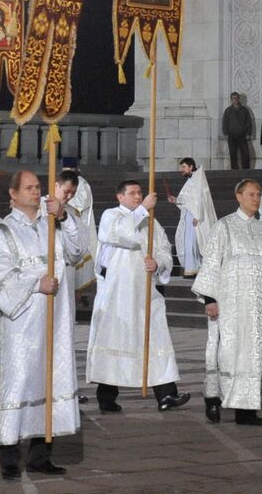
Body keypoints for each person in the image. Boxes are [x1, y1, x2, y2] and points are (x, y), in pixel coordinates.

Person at [0, 170, 89, 479]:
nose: (36, 192)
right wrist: (35, 284)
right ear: (13, 195)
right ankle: (8, 454)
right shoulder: (2, 231)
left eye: (38, 187)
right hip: (22, 323)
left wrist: (66, 216)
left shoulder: (52, 224)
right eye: (29, 188)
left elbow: (78, 250)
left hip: (55, 320)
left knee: (52, 378)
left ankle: (41, 453)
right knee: (20, 381)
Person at [87, 180, 190, 414]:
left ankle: (166, 395)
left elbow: (164, 249)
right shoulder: (111, 216)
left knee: (155, 340)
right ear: (119, 197)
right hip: (118, 294)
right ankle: (106, 396)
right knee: (116, 339)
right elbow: (123, 235)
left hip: (146, 293)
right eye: (132, 193)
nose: (137, 197)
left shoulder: (150, 222)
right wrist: (143, 208)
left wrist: (159, 263)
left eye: (140, 193)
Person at [195, 177, 262, 425]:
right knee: (225, 351)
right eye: (251, 194)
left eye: (259, 195)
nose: (256, 199)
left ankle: (245, 411)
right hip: (229, 303)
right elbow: (212, 263)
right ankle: (214, 399)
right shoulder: (224, 227)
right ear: (239, 196)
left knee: (252, 354)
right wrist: (210, 298)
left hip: (255, 306)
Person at [59, 165, 97, 296]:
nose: (69, 196)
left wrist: (64, 216)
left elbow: (80, 204)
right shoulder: (41, 206)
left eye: (73, 193)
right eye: (66, 192)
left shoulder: (82, 185)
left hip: (67, 268)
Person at [171, 157, 212, 275]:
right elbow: (188, 200)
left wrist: (197, 216)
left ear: (191, 167)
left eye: (183, 167)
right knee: (189, 242)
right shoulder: (190, 181)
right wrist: (176, 200)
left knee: (194, 242)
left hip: (195, 216)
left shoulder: (197, 180)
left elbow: (200, 199)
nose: (181, 170)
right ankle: (193, 267)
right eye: (181, 167)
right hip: (189, 215)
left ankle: (195, 267)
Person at [221, 92, 254, 170]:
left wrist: (249, 133)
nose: (236, 100)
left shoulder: (245, 110)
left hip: (242, 136)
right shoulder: (228, 110)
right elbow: (224, 122)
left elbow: (249, 122)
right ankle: (234, 170)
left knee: (245, 154)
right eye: (234, 98)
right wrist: (225, 133)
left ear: (239, 99)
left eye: (237, 98)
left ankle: (246, 170)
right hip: (231, 136)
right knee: (233, 154)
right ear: (231, 100)